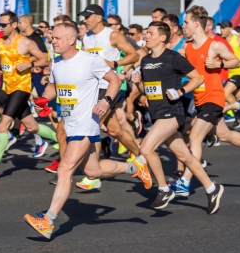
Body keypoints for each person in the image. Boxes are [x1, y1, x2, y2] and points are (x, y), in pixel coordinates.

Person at [23, 23, 151, 240]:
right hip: (70, 123)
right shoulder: (57, 63)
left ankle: (48, 220)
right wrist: (44, 99)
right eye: (52, 38)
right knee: (93, 172)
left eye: (56, 38)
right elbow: (54, 87)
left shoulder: (90, 60)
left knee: (65, 170)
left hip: (85, 124)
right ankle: (135, 167)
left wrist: (106, 101)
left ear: (72, 40)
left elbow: (114, 80)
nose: (52, 41)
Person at [172, 6, 240, 197]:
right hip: (199, 100)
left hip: (214, 97)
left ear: (197, 24)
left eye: (186, 22)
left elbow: (236, 62)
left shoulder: (214, 45)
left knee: (196, 137)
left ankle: (185, 181)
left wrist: (219, 64)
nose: (184, 26)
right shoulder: (186, 46)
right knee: (224, 135)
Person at [132, 21, 223, 211]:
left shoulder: (173, 58)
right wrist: (139, 83)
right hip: (157, 113)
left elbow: (197, 78)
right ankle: (212, 188)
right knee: (185, 156)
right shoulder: (146, 61)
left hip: (172, 113)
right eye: (146, 33)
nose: (146, 36)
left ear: (162, 37)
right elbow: (146, 91)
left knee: (146, 148)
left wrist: (180, 92)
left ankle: (164, 189)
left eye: (150, 33)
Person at [78, 4, 149, 191]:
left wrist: (115, 63)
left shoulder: (113, 35)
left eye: (88, 16)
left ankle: (93, 176)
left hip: (109, 86)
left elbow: (135, 55)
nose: (84, 20)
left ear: (98, 17)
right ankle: (142, 158)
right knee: (115, 130)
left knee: (92, 126)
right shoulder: (86, 36)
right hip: (92, 88)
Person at [0, 11, 49, 180]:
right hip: (8, 88)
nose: (0, 28)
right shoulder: (0, 42)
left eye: (3, 25)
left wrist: (30, 63)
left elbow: (44, 59)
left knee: (2, 126)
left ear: (14, 25)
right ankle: (62, 139)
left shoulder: (25, 42)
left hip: (22, 88)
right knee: (31, 127)